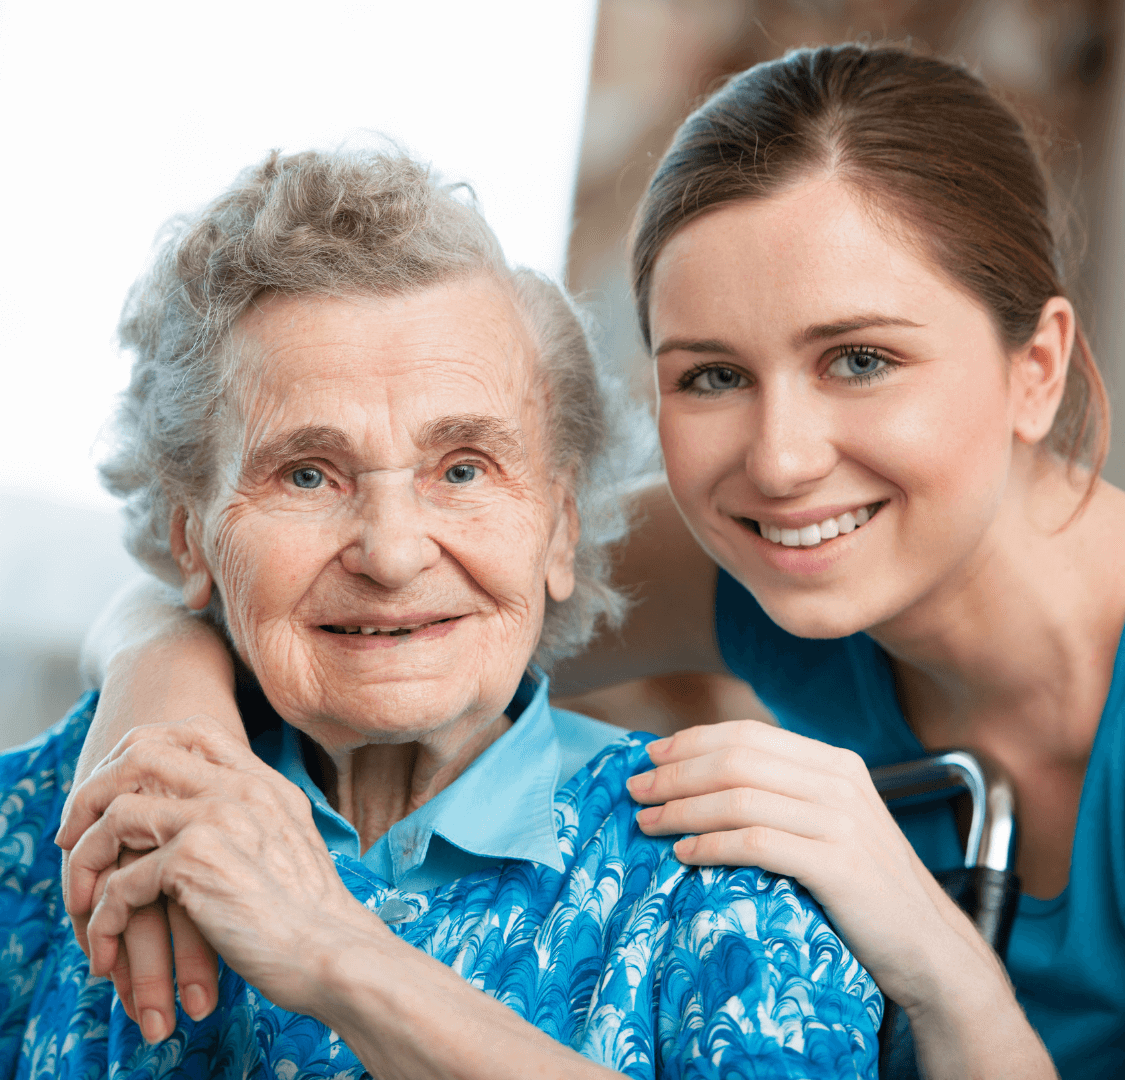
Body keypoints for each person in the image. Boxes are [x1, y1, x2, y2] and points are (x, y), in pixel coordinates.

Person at [67, 42, 1125, 1078]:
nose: (784, 458)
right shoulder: (745, 547)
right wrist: (165, 715)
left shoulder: (796, 534)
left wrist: (945, 968)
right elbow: (328, 590)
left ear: (1035, 370)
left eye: (861, 360)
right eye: (712, 376)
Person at [0, 149, 882, 1079]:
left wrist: (336, 950)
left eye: (463, 469)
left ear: (559, 530)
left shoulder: (721, 879)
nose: (390, 553)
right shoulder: (78, 807)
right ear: (191, 539)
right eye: (307, 473)